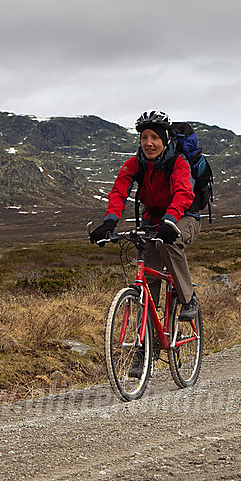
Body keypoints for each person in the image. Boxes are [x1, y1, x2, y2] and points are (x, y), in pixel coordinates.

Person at [89, 110, 201, 322]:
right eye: (144, 138)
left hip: (185, 216)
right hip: (155, 219)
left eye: (155, 138)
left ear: (165, 140)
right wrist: (109, 222)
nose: (148, 143)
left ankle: (188, 298)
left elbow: (183, 193)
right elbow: (119, 192)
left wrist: (170, 220)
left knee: (168, 244)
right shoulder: (134, 164)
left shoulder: (178, 163)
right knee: (148, 267)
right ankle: (147, 343)